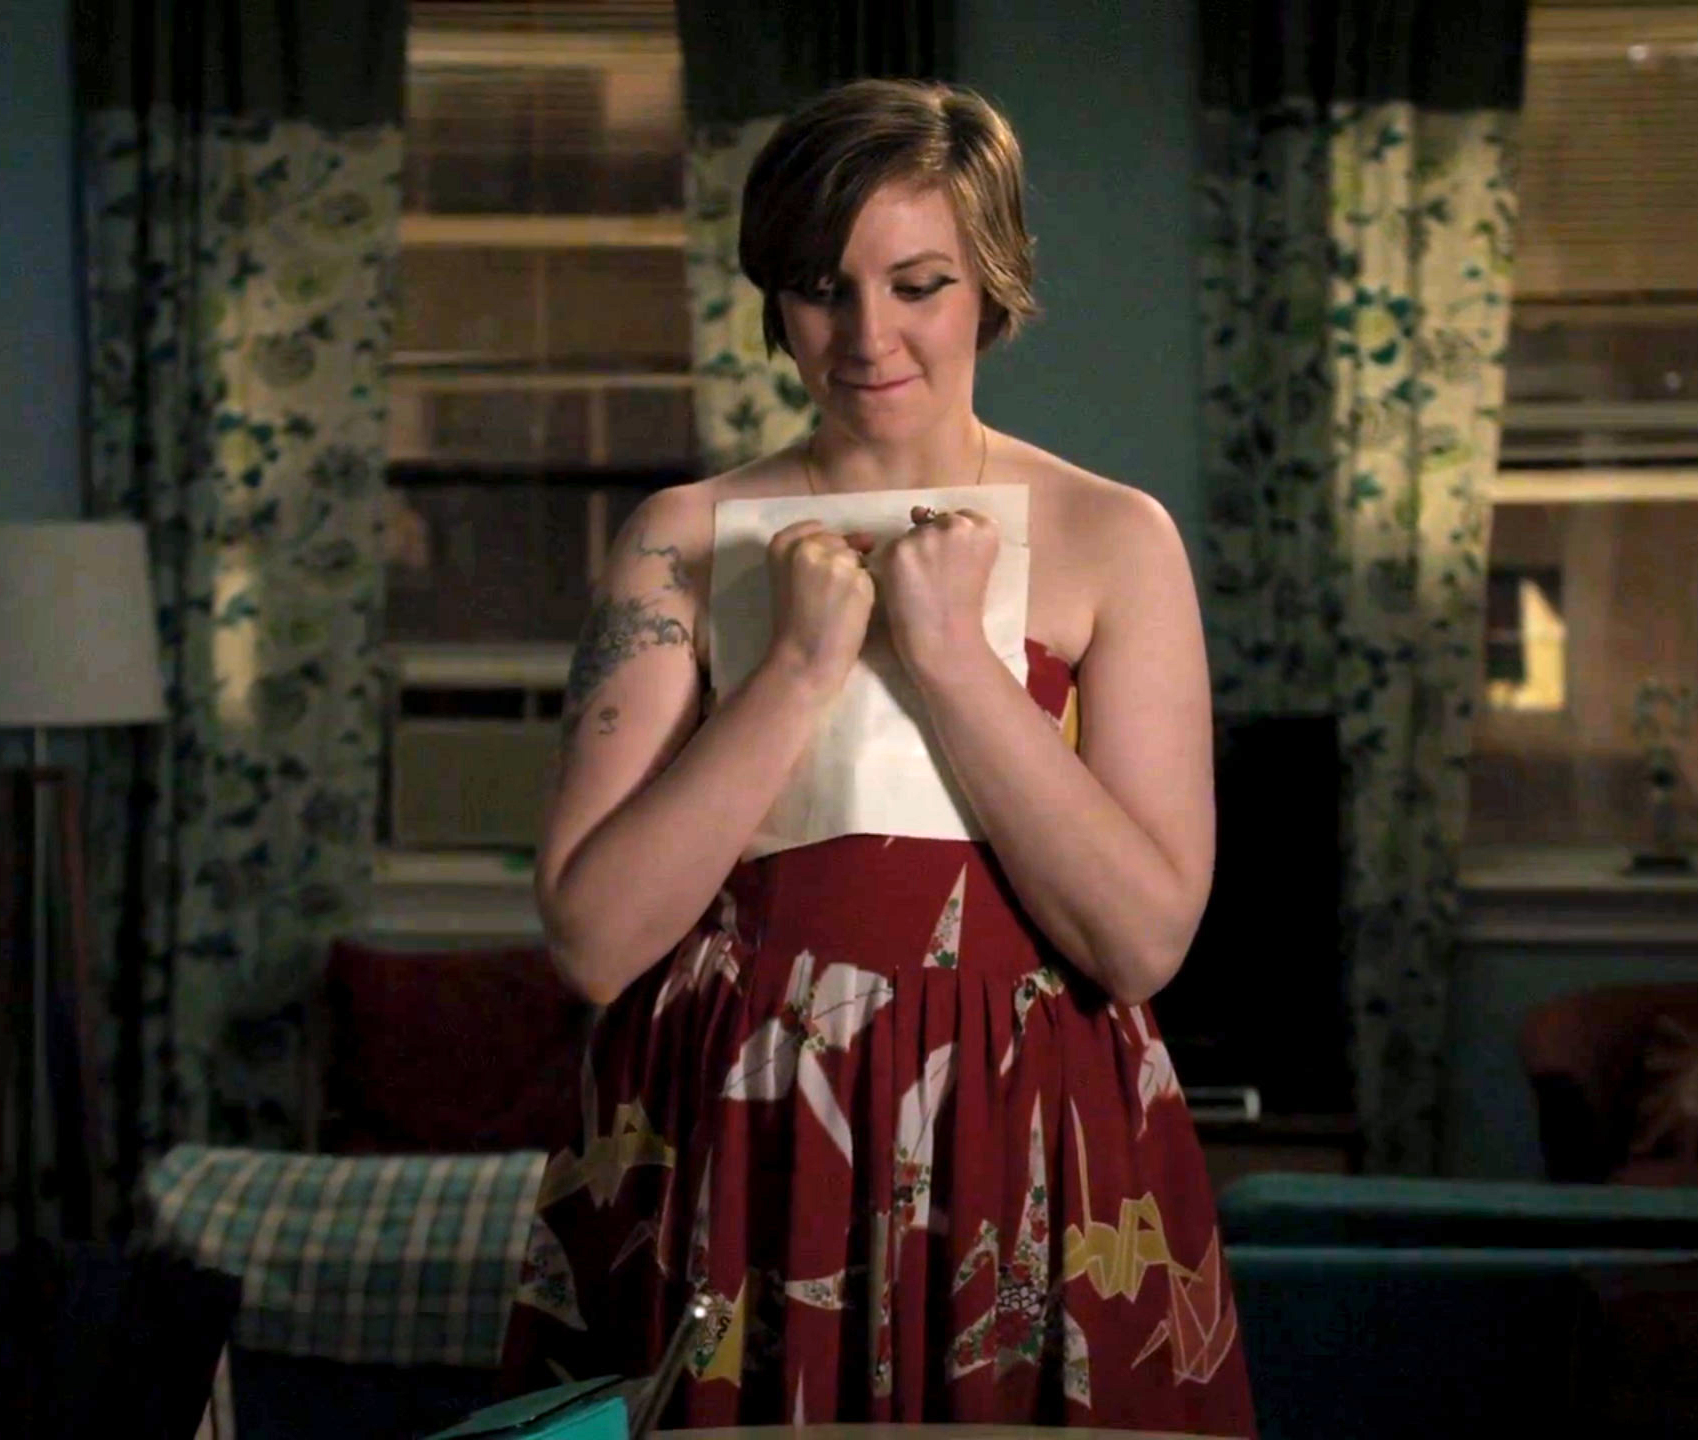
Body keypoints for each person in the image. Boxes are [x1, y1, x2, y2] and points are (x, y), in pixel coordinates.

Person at [499, 78, 1254, 1436]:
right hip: (733, 1138)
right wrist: (795, 668)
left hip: (1029, 1134)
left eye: (917, 285)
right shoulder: (682, 538)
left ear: (991, 282)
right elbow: (595, 941)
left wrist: (952, 656)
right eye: (820, 289)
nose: (867, 336)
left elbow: (1141, 941)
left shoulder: (1114, 538)